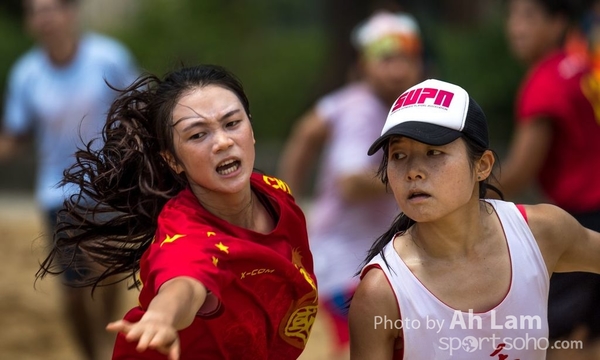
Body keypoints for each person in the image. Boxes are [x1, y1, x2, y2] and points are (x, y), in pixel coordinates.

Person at [36, 64, 319, 360]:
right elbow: (183, 284)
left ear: (251, 128)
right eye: (197, 135)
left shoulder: (277, 193)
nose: (223, 142)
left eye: (232, 123)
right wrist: (162, 316)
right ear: (172, 160)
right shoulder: (186, 236)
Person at [348, 78, 600, 359]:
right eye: (398, 155)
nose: (413, 171)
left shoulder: (542, 233)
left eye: (434, 152)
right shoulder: (381, 293)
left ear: (482, 165)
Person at [277, 10, 423, 356]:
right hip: (345, 258)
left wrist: (287, 196)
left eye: (407, 58)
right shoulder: (363, 110)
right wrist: (416, 179)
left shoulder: (353, 101)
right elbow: (350, 183)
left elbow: (305, 131)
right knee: (362, 345)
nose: (398, 68)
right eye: (387, 58)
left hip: (352, 254)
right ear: (364, 64)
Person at [0, 0, 138, 359]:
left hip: (110, 183)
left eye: (51, 9)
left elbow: (137, 106)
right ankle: (90, 354)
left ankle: (107, 339)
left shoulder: (109, 57)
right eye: (35, 12)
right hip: (57, 192)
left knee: (109, 272)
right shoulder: (26, 74)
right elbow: (14, 134)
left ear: (71, 13)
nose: (45, 19)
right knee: (75, 287)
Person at [501, 0, 600, 356]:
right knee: (590, 334)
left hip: (584, 220)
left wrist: (461, 196)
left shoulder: (544, 82)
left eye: (529, 16)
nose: (516, 27)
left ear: (558, 22)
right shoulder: (583, 65)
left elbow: (518, 170)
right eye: (512, 16)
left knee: (553, 339)